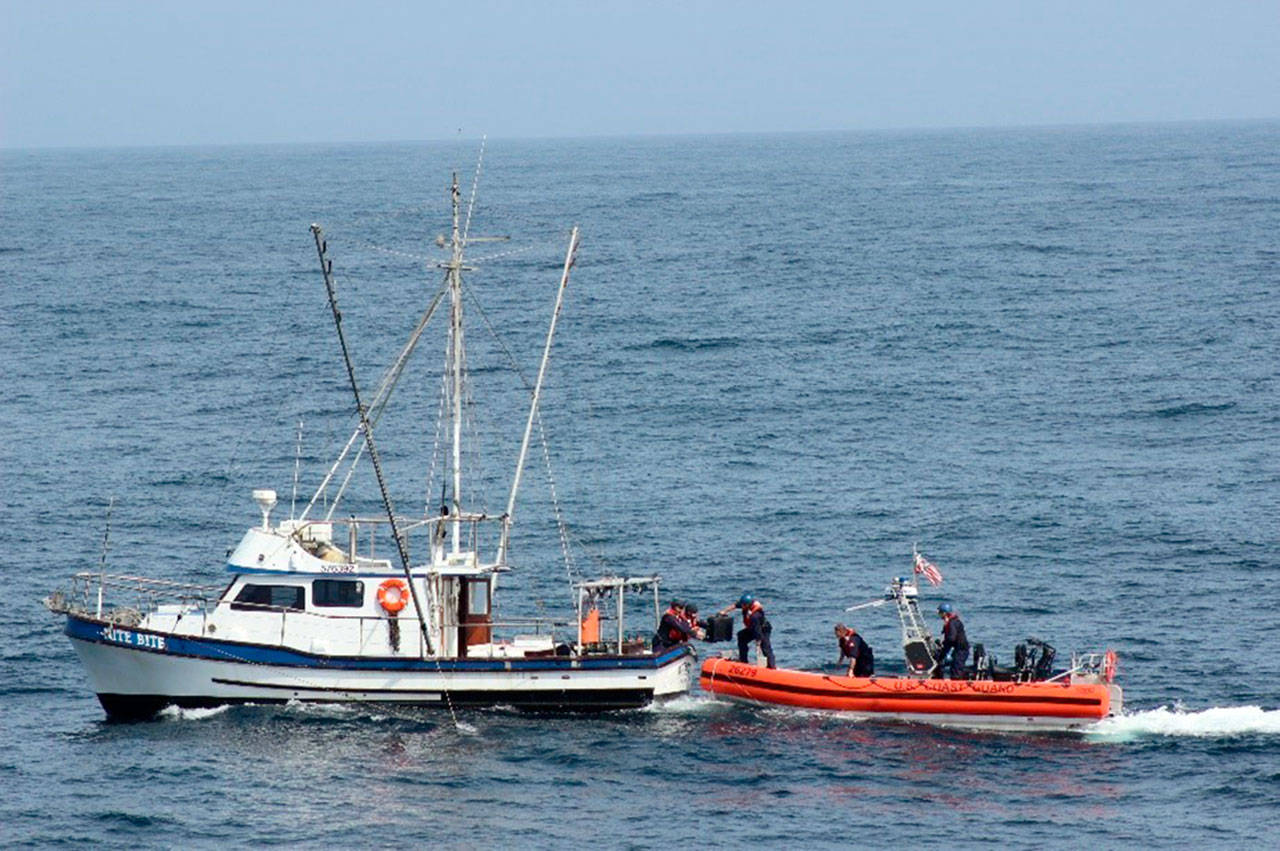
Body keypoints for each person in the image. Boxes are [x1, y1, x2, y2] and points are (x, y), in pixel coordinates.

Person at [718, 593, 775, 668]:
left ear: (748, 605)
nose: (742, 607)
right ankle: (743, 660)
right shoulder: (745, 605)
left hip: (763, 629)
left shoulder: (755, 615)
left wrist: (758, 641)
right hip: (753, 628)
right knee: (741, 636)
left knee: (765, 647)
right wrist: (724, 611)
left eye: (743, 605)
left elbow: (757, 630)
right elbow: (735, 606)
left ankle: (771, 666)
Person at [935, 602, 969, 679]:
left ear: (944, 613)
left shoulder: (952, 623)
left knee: (956, 669)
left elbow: (951, 638)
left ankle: (957, 685)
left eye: (940, 613)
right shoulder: (951, 622)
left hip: (961, 649)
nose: (939, 615)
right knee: (954, 666)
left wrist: (944, 649)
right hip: (958, 648)